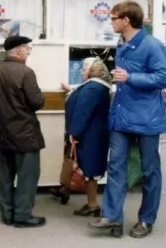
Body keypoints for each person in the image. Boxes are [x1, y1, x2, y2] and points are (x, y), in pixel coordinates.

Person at [88, 1, 166, 239]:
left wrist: (130, 77)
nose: (110, 22)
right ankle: (112, 217)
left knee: (150, 171)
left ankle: (146, 220)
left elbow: (164, 78)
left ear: (126, 20)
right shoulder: (122, 43)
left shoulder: (152, 45)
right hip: (122, 117)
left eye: (114, 18)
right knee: (115, 167)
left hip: (147, 119)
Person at [0, 35, 45, 228]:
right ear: (19, 50)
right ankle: (22, 216)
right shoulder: (26, 72)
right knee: (27, 176)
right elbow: (36, 102)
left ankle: (7, 214)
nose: (29, 52)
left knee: (6, 176)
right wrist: (41, 96)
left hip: (3, 132)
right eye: (28, 49)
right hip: (24, 134)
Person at [50, 57, 112, 216]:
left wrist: (74, 132)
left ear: (93, 71)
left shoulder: (93, 88)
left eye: (84, 69)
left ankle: (92, 205)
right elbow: (81, 97)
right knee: (80, 165)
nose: (82, 72)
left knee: (89, 170)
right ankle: (66, 190)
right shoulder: (97, 86)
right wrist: (70, 90)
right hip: (93, 134)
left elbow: (83, 112)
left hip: (89, 136)